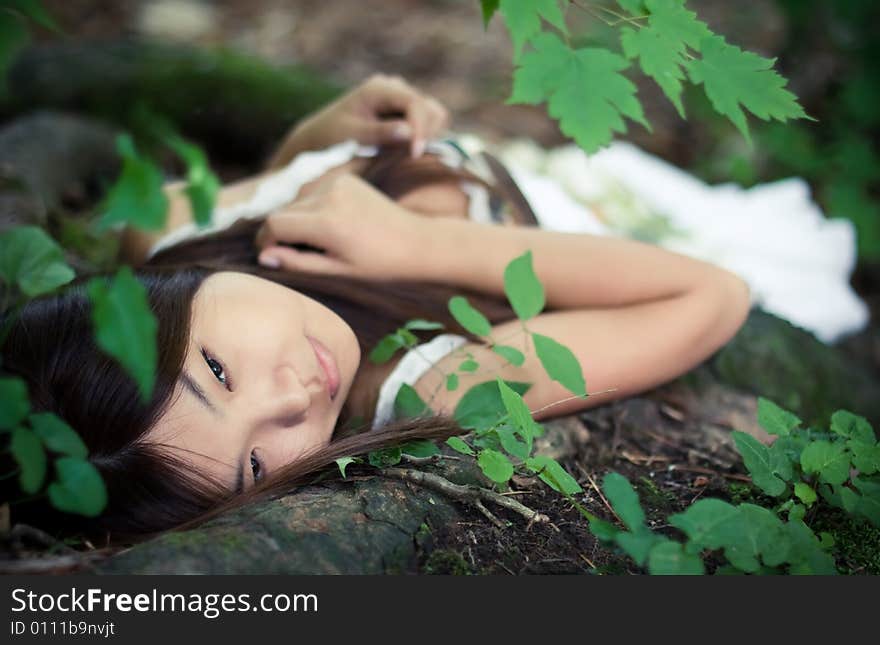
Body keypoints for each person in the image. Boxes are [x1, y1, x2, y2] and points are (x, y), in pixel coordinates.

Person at [2, 74, 757, 543]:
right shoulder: (429, 382)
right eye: (258, 463)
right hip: (636, 212)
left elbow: (268, 177)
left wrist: (331, 132)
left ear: (161, 295)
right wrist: (417, 246)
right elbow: (715, 294)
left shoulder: (170, 232)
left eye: (220, 371)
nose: (296, 397)